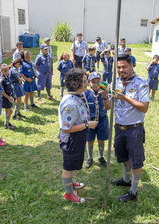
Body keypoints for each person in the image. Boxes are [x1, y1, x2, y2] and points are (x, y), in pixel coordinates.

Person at [111, 54, 149, 202]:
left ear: (131, 65)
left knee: (135, 160)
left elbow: (144, 107)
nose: (121, 70)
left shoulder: (141, 83)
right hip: (119, 127)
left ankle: (133, 192)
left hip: (134, 129)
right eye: (119, 67)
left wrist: (125, 97)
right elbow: (109, 106)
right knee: (123, 156)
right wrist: (104, 97)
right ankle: (126, 180)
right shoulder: (116, 83)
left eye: (124, 67)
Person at [58, 68, 98, 203]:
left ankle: (70, 182)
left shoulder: (78, 95)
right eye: (85, 81)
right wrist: (88, 125)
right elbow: (66, 129)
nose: (87, 83)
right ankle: (69, 193)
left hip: (77, 137)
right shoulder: (70, 103)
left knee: (73, 163)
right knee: (68, 166)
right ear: (76, 84)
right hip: (71, 139)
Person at [84, 72, 111, 169]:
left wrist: (105, 96)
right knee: (90, 140)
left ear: (101, 82)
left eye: (98, 81)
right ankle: (90, 157)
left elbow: (108, 107)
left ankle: (100, 156)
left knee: (101, 140)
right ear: (89, 82)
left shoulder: (105, 93)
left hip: (102, 121)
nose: (95, 84)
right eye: (93, 82)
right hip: (90, 122)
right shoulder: (86, 94)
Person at [0, 64, 16, 130]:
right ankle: (6, 125)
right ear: (1, 71)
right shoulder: (2, 80)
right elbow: (1, 91)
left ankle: (7, 123)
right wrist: (8, 97)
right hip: (5, 98)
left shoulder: (7, 77)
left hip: (9, 96)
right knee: (10, 111)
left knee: (7, 110)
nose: (7, 72)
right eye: (5, 71)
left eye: (7, 70)